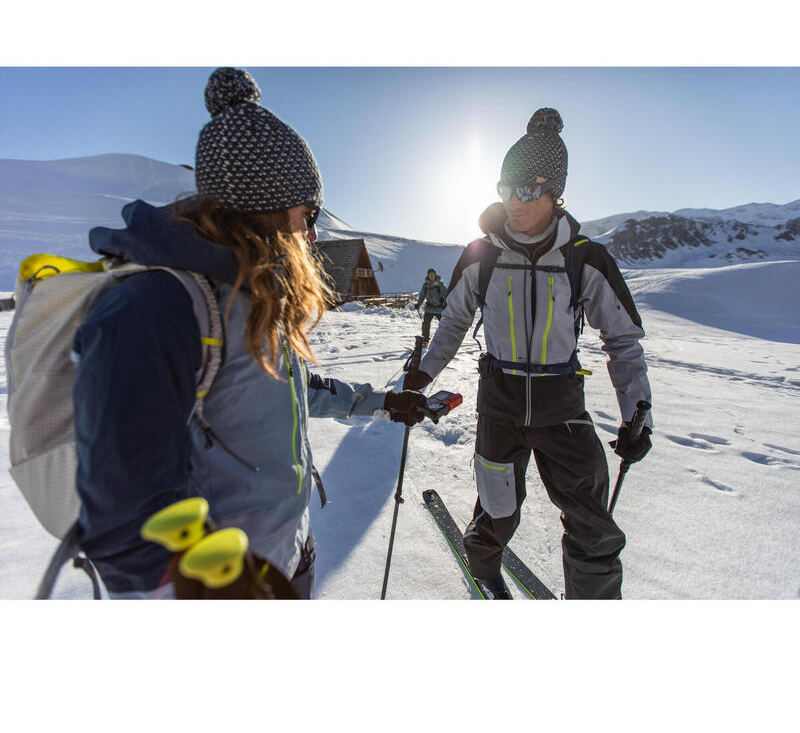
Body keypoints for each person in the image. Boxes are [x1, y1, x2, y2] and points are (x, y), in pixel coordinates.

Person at [72, 68, 427, 599]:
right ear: (264, 206)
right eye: (307, 213)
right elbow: (120, 515)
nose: (312, 232)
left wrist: (381, 402)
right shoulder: (159, 307)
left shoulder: (251, 295)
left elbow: (289, 392)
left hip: (287, 554)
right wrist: (223, 586)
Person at [404, 108, 653, 599]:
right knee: (497, 510)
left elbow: (622, 341)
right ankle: (484, 566)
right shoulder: (483, 253)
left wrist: (636, 413)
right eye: (505, 188)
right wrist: (422, 375)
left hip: (563, 407)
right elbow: (453, 321)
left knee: (594, 527)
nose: (513, 201)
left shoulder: (585, 258)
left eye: (527, 190)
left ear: (554, 192)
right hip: (500, 405)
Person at [415, 268, 447, 345]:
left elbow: (446, 294)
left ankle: (446, 339)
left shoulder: (440, 284)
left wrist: (444, 301)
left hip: (439, 308)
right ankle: (425, 340)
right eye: (430, 275)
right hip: (429, 308)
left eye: (432, 274)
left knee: (443, 324)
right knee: (425, 325)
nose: (431, 276)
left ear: (435, 275)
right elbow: (422, 296)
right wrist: (418, 304)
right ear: (428, 275)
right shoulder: (426, 285)